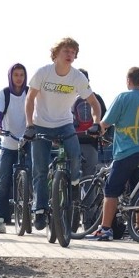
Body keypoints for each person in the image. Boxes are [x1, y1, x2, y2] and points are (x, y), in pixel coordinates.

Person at [25, 37, 101, 231]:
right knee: (40, 171)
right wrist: (30, 125)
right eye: (66, 51)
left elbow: (94, 103)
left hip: (65, 124)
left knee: (76, 155)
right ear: (56, 53)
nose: (70, 55)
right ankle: (40, 210)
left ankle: (74, 184)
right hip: (41, 124)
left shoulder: (77, 77)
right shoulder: (43, 73)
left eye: (73, 52)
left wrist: (96, 123)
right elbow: (30, 98)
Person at [88, 67, 139, 240]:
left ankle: (105, 229)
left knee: (111, 189)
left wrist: (97, 129)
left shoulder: (123, 97)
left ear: (128, 80)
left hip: (125, 152)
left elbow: (106, 122)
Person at [0, 63, 29, 234]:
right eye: (16, 75)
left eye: (21, 75)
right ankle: (0, 220)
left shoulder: (30, 92)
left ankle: (32, 215)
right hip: (8, 143)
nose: (19, 78)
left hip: (28, 141)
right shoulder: (4, 94)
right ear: (11, 77)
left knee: (33, 177)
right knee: (3, 182)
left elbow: (38, 112)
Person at [72, 68, 107, 177]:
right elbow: (106, 120)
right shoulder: (96, 99)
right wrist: (105, 138)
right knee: (89, 177)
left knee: (73, 176)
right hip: (91, 142)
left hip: (72, 141)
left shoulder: (68, 99)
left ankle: (73, 192)